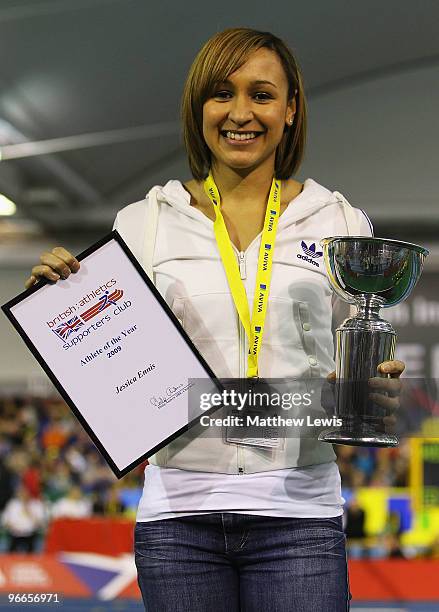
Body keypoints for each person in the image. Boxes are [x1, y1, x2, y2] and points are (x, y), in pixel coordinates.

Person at [25, 27, 404, 612]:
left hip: (298, 513)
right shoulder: (144, 223)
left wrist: (372, 384)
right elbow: (106, 361)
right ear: (199, 107)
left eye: (262, 94)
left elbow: (360, 355)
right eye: (221, 93)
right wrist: (56, 308)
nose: (240, 113)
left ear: (290, 108)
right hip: (179, 518)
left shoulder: (338, 219)